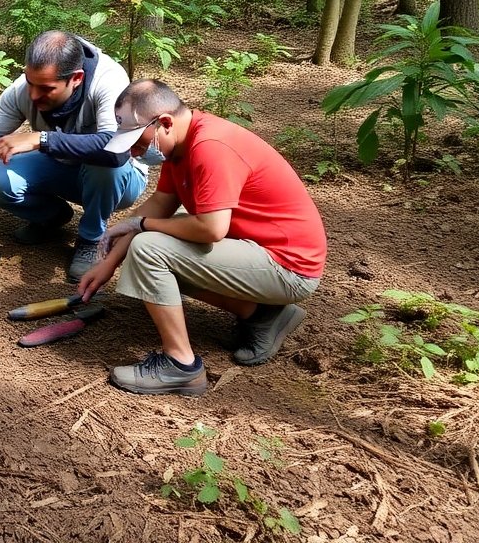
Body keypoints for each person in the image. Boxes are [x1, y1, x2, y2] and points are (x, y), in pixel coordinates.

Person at [78, 79, 327, 397]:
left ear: (164, 123)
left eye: (137, 139)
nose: (133, 149)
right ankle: (263, 316)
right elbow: (160, 206)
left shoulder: (210, 147)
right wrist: (109, 261)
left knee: (150, 249)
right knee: (157, 237)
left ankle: (180, 366)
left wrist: (141, 226)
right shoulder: (180, 146)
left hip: (288, 266)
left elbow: (211, 229)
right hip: (257, 251)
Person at [0, 30, 146, 282]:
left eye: (46, 89)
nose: (34, 95)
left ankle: (90, 239)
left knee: (103, 167)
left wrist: (41, 138)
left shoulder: (110, 83)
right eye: (30, 83)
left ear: (76, 79)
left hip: (119, 178)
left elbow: (116, 150)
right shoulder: (25, 88)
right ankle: (52, 218)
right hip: (64, 165)